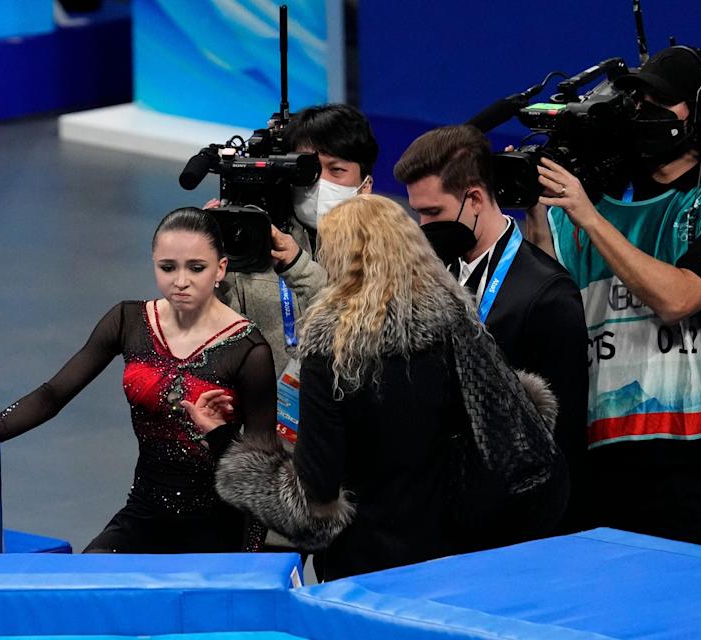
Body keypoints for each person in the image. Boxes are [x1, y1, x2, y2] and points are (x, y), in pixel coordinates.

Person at [210, 194, 568, 581]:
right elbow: (509, 420)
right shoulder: (456, 327)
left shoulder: (331, 351)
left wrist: (231, 451)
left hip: (363, 566)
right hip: (454, 558)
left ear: (341, 260)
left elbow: (315, 495)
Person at [0, 208, 277, 553]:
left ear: (221, 268)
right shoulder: (130, 321)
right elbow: (52, 394)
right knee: (89, 584)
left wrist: (252, 562)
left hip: (216, 527)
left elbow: (261, 470)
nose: (180, 281)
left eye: (196, 268)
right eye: (167, 267)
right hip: (144, 512)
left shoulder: (247, 350)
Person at [524, 46, 701, 551]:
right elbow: (543, 302)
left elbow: (678, 298)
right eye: (639, 97)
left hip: (693, 456)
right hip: (592, 451)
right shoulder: (585, 201)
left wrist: (587, 218)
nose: (644, 109)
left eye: (663, 99)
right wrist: (537, 209)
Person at [393, 125, 589, 533]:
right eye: (417, 212)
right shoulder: (426, 277)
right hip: (439, 514)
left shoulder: (548, 294)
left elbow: (561, 441)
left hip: (508, 525)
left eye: (432, 213)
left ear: (476, 199)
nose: (422, 225)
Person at [213, 103, 378, 376]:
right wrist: (203, 264)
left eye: (336, 171)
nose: (320, 183)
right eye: (309, 170)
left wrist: (297, 266)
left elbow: (361, 334)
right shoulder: (256, 239)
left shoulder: (387, 251)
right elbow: (215, 339)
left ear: (366, 185)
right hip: (265, 414)